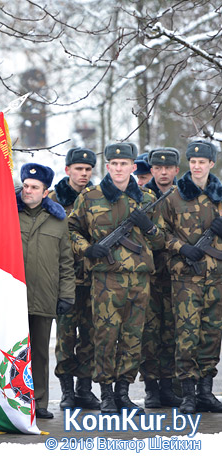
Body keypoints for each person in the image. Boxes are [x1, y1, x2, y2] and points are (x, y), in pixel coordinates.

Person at [69, 142, 165, 414]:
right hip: (106, 280)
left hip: (139, 280)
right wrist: (87, 249)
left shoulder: (147, 199)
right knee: (105, 337)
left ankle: (124, 392)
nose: (120, 168)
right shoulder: (90, 197)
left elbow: (160, 241)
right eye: (114, 164)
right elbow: (71, 230)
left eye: (125, 164)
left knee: (134, 338)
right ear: (108, 166)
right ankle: (107, 394)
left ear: (134, 167)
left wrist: (149, 227)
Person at [160, 140, 222, 414]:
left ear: (211, 164)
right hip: (185, 278)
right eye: (192, 162)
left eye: (202, 162)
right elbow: (159, 234)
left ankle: (206, 392)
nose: (196, 166)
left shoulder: (220, 198)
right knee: (186, 335)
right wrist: (180, 248)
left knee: (211, 335)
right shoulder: (174, 197)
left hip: (217, 277)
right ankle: (187, 394)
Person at [17, 163, 75, 419]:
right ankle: (15, 400)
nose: (27, 191)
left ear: (45, 191)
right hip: (12, 297)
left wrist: (67, 295)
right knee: (15, 351)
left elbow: (66, 261)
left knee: (39, 352)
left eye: (34, 187)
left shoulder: (58, 221)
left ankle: (39, 401)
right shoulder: (7, 213)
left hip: (44, 296)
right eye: (25, 186)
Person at [48, 147, 100, 410]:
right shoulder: (53, 199)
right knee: (66, 337)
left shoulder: (98, 198)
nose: (83, 174)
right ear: (67, 170)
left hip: (94, 280)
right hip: (65, 281)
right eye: (78, 169)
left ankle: (85, 389)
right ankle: (67, 391)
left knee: (90, 336)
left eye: (88, 169)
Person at [139, 147, 182, 408]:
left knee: (173, 332)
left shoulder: (186, 195)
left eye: (168, 167)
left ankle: (170, 387)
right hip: (147, 275)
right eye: (157, 168)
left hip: (178, 275)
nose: (163, 172)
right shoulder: (141, 196)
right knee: (148, 334)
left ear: (177, 169)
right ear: (151, 169)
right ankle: (152, 389)